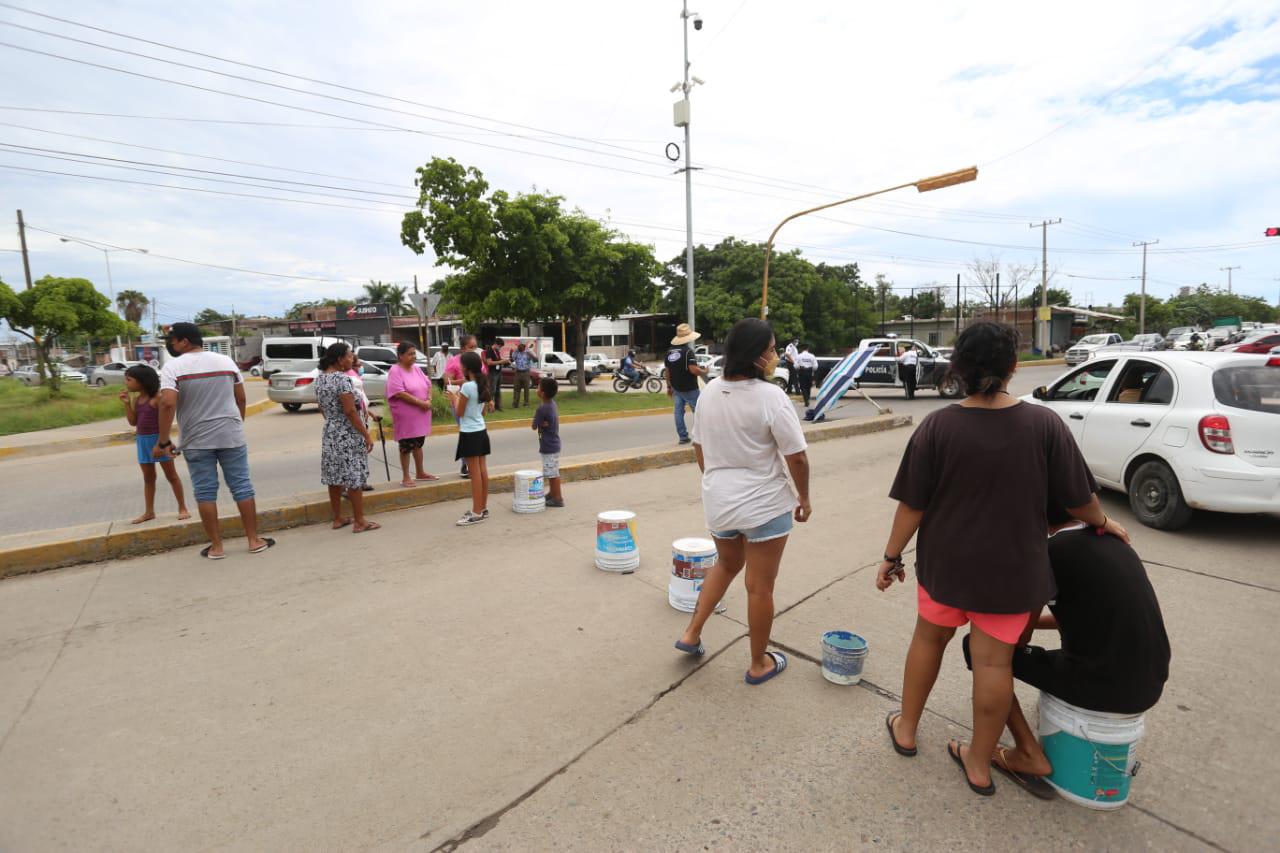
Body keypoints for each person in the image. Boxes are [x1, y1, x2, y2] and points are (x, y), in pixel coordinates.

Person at [875, 320, 1128, 797]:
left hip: (945, 568)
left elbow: (912, 505)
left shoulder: (938, 426)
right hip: (1013, 573)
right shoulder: (1044, 424)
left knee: (928, 641)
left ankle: (906, 729)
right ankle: (978, 764)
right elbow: (1079, 501)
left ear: (959, 368)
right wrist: (1103, 522)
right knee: (994, 666)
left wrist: (891, 556)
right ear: (1013, 367)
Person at [960, 503, 1170, 796]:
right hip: (1149, 682)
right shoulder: (1112, 539)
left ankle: (1027, 753)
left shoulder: (1049, 554)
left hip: (1103, 687)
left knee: (980, 650)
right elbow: (1085, 615)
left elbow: (1019, 639)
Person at [675, 318, 811, 685]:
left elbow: (699, 449)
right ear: (755, 356)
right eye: (771, 349)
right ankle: (758, 663)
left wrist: (719, 483)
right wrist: (804, 497)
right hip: (764, 505)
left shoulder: (708, 393)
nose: (775, 355)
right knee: (760, 587)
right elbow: (796, 457)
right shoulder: (771, 397)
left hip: (720, 502)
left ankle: (691, 633)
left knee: (726, 563)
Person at [156, 322, 274, 560]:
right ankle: (254, 540)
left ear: (185, 342)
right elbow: (241, 399)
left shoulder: (173, 367)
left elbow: (168, 403)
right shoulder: (226, 362)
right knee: (242, 486)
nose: (170, 345)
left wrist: (163, 441)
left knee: (205, 492)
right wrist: (236, 425)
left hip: (195, 440)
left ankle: (217, 547)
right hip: (231, 436)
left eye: (172, 341)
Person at [315, 342, 379, 533]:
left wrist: (333, 423)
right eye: (350, 356)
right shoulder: (343, 380)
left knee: (334, 476)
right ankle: (360, 521)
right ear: (340, 359)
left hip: (330, 432)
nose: (353, 359)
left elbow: (322, 408)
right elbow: (350, 411)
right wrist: (366, 435)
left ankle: (337, 518)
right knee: (354, 476)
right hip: (348, 433)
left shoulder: (320, 379)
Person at [121, 364, 190, 525]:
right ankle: (149, 512)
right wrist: (126, 403)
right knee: (148, 478)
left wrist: (161, 443)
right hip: (142, 441)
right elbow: (133, 422)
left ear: (142, 381)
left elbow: (165, 422)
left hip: (159, 440)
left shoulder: (158, 398)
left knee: (171, 476)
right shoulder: (137, 400)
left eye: (129, 379)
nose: (126, 383)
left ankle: (182, 508)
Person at [447, 350, 493, 526]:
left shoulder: (467, 387)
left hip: (469, 432)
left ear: (466, 367)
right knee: (482, 471)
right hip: (481, 430)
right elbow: (481, 411)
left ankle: (476, 512)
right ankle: (483, 508)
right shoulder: (482, 384)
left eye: (461, 365)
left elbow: (460, 412)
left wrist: (453, 397)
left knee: (475, 474)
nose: (460, 367)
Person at [385, 341, 437, 487]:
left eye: (414, 353)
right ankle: (406, 476)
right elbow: (399, 392)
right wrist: (420, 403)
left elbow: (428, 385)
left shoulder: (416, 369)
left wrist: (429, 399)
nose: (414, 356)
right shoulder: (395, 370)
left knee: (418, 444)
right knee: (406, 446)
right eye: (410, 354)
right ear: (400, 356)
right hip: (406, 416)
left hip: (421, 414)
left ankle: (420, 472)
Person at [444, 335, 486, 478]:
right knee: (466, 431)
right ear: (462, 348)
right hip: (461, 401)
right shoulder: (454, 361)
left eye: (475, 346)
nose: (474, 349)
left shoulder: (477, 361)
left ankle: (472, 464)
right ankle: (466, 464)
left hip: (475, 403)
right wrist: (462, 383)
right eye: (471, 347)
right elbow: (447, 380)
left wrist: (487, 399)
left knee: (471, 433)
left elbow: (483, 379)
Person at [664, 323, 705, 445]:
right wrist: (704, 371)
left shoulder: (669, 352)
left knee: (678, 412)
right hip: (690, 388)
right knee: (698, 411)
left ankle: (683, 437)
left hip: (676, 387)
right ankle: (702, 436)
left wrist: (669, 386)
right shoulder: (688, 352)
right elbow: (693, 370)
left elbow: (667, 371)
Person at [531, 376, 564, 507]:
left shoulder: (542, 409)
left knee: (553, 474)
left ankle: (558, 498)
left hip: (548, 445)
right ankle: (552, 493)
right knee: (551, 472)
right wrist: (543, 423)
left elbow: (534, 426)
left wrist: (540, 422)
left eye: (538, 387)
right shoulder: (552, 404)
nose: (537, 389)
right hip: (554, 443)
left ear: (542, 393)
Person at [484, 338, 508, 411]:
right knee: (492, 390)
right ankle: (490, 407)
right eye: (500, 346)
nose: (500, 348)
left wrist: (505, 361)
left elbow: (498, 360)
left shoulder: (497, 351)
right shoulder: (489, 351)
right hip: (492, 373)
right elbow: (489, 362)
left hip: (498, 372)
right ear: (496, 344)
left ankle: (498, 406)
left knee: (498, 390)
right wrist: (501, 362)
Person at [511, 341, 535, 407]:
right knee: (516, 388)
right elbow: (512, 359)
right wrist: (515, 351)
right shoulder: (516, 352)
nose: (520, 349)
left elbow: (535, 360)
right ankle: (515, 404)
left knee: (526, 389)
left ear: (524, 347)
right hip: (517, 372)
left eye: (521, 348)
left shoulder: (528, 353)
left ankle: (526, 403)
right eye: (519, 348)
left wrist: (530, 352)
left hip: (526, 372)